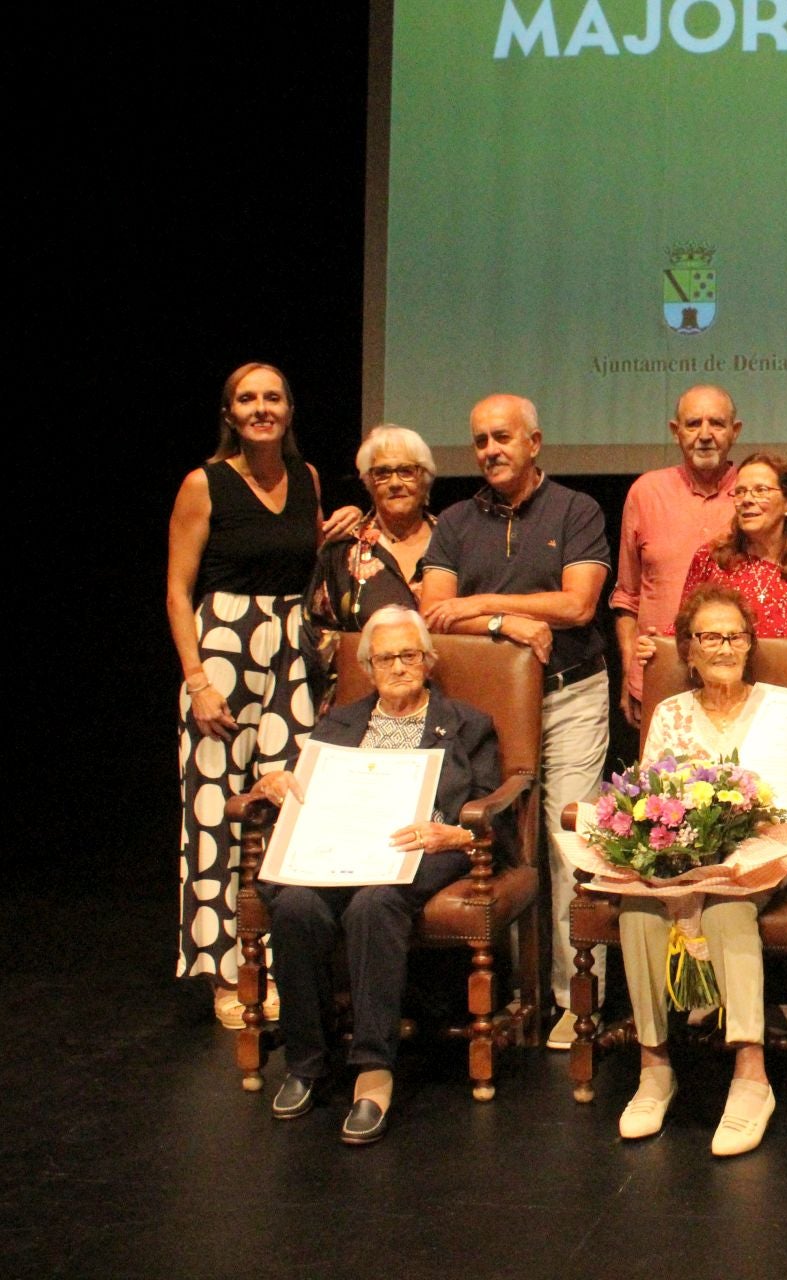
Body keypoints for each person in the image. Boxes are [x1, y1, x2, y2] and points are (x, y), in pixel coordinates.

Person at [254, 606, 508, 1145]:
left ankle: (373, 1070)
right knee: (295, 904)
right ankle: (306, 1062)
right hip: (341, 850)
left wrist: (454, 835)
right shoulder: (339, 723)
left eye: (408, 655)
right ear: (367, 668)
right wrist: (278, 783)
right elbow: (308, 787)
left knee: (375, 902)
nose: (397, 667)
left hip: (423, 847)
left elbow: (492, 806)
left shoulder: (468, 724)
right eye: (385, 658)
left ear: (428, 661)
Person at [416, 393, 612, 1048]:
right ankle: (513, 992)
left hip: (569, 695)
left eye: (502, 437)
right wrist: (508, 622)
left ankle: (575, 1000)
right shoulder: (453, 521)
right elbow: (433, 613)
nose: (490, 450)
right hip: (486, 711)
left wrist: (484, 605)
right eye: (480, 440)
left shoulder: (576, 509)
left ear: (535, 442)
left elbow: (578, 606)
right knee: (500, 843)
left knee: (569, 841)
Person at [166, 361, 358, 1028]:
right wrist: (197, 681)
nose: (261, 408)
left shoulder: (306, 479)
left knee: (289, 804)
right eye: (247, 399)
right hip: (223, 645)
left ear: (289, 409)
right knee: (216, 811)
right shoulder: (205, 483)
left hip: (292, 647)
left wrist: (338, 527)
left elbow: (304, 559)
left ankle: (279, 965)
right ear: (230, 413)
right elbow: (176, 592)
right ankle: (225, 973)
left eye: (272, 397)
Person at [616, 584, 787, 1155]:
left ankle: (750, 1076)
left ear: (750, 644)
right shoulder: (670, 714)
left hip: (767, 850)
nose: (723, 647)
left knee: (729, 906)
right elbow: (650, 797)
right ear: (688, 650)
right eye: (709, 637)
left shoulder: (785, 709)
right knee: (637, 907)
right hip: (686, 857)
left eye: (735, 636)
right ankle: (654, 1068)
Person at [610, 385, 744, 727]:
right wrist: (631, 672)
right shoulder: (646, 492)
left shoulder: (753, 495)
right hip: (661, 672)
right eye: (693, 423)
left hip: (738, 678)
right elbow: (627, 598)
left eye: (716, 423)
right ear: (676, 431)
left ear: (735, 431)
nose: (705, 435)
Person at [630, 451, 787, 653]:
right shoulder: (711, 560)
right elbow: (684, 635)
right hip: (723, 681)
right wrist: (658, 645)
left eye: (761, 490)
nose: (747, 500)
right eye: (740, 491)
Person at [304, 424, 438, 709]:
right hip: (360, 705)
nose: (395, 483)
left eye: (406, 471)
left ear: (425, 478)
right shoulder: (342, 550)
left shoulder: (453, 543)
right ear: (368, 481)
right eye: (382, 473)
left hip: (443, 702)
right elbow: (314, 633)